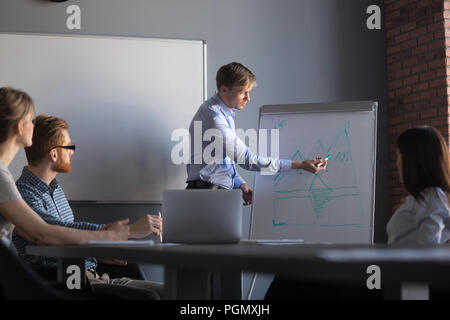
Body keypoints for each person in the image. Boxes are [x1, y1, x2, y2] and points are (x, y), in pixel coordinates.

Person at [12, 113, 163, 299]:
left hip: (94, 275)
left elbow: (69, 240)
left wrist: (97, 255)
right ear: (54, 153)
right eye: (69, 147)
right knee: (149, 297)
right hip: (67, 283)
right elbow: (54, 232)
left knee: (169, 291)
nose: (72, 152)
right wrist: (126, 231)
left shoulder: (55, 189)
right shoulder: (24, 194)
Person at [186, 62, 327, 200]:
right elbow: (248, 160)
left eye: (248, 92)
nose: (248, 98)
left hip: (210, 193)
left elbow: (222, 160)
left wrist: (239, 184)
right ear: (223, 89)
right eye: (243, 92)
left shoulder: (220, 112)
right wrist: (300, 165)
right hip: (207, 196)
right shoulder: (215, 118)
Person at [387, 126, 450, 244]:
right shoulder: (423, 198)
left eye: (399, 156)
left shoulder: (431, 197)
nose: (397, 163)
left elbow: (428, 251)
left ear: (414, 161)